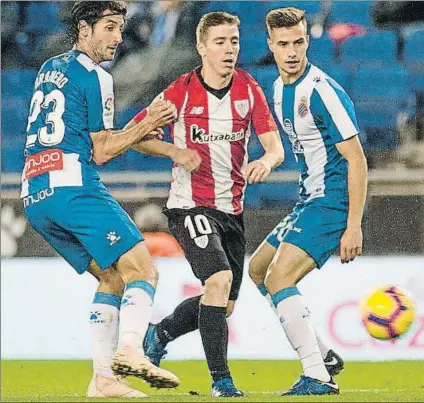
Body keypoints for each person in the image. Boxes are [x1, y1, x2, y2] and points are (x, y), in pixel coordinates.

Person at [21, 1, 180, 398]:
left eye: (120, 27)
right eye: (108, 27)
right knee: (143, 271)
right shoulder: (97, 76)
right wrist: (146, 123)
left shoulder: (50, 68)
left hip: (35, 192)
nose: (117, 37)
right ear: (84, 29)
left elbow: (87, 134)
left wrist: (129, 131)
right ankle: (129, 350)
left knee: (112, 276)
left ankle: (103, 379)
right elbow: (103, 151)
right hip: (73, 184)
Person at [126, 11, 284, 397]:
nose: (229, 49)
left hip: (232, 211)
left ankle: (159, 333)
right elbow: (135, 134)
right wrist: (175, 152)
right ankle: (222, 382)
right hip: (189, 206)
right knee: (217, 281)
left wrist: (264, 161)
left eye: (234, 41)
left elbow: (275, 147)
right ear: (201, 48)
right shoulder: (180, 91)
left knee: (223, 305)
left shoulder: (249, 89)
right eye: (220, 42)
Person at [248, 7, 368, 396]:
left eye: (299, 42)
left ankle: (317, 376)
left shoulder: (322, 91)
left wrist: (353, 224)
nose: (292, 51)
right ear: (271, 45)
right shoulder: (279, 89)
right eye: (283, 44)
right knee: (258, 269)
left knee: (279, 278)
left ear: (307, 41)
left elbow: (357, 160)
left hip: (331, 201)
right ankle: (322, 354)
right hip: (308, 199)